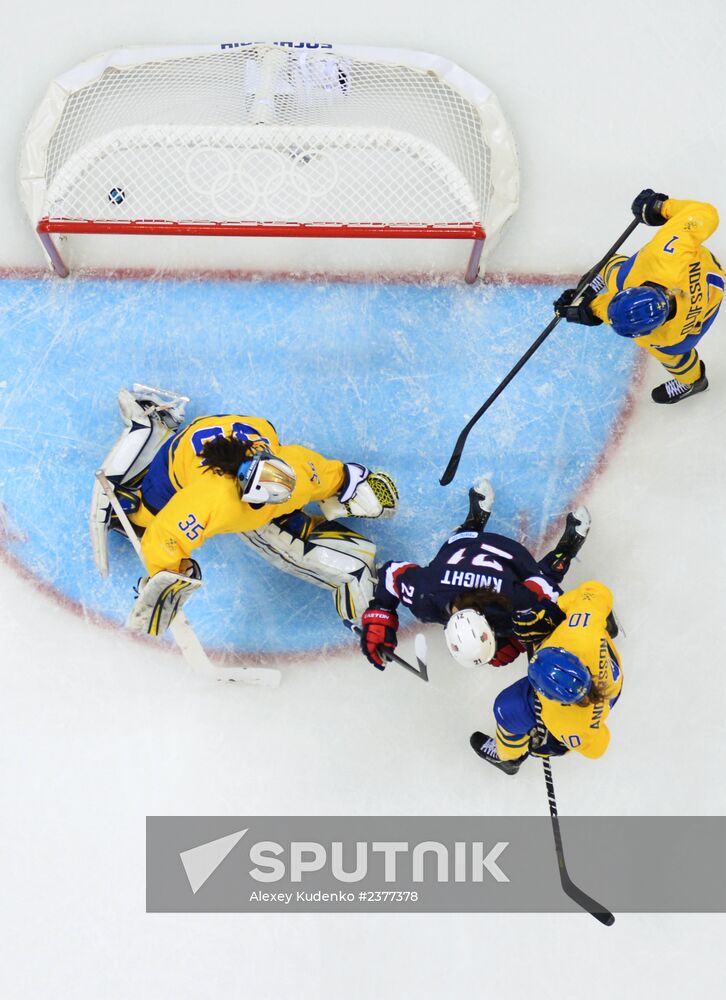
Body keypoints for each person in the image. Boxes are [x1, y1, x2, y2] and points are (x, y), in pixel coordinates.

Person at [90, 385, 397, 635]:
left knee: (294, 511)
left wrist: (349, 483)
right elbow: (165, 536)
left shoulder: (295, 467)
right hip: (176, 467)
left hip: (230, 432)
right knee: (150, 513)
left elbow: (321, 474)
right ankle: (135, 501)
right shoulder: (213, 499)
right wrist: (167, 573)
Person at [358, 478, 591, 670]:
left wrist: (519, 638)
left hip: (493, 554)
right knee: (463, 548)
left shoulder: (515, 599)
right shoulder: (424, 597)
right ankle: (475, 526)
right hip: (483, 550)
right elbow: (390, 573)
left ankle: (563, 548)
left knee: (540, 583)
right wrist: (380, 616)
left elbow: (556, 600)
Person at [555, 190, 724, 403]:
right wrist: (661, 208)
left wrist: (584, 309)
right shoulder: (668, 252)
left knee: (671, 352)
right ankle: (691, 380)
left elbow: (606, 311)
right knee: (621, 276)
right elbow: (705, 213)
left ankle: (694, 381)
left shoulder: (659, 338)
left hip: (696, 307)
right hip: (706, 283)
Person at [470, 580, 622, 773]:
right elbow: (598, 591)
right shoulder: (583, 627)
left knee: (506, 709)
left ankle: (508, 757)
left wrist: (559, 745)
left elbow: (597, 747)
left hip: (585, 708)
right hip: (610, 678)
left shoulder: (562, 721)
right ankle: (606, 625)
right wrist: (556, 612)